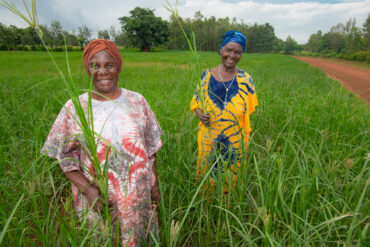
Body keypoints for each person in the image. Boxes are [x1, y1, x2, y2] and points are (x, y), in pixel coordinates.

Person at [42, 39, 162, 246]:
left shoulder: (137, 101)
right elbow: (64, 158)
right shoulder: (75, 108)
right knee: (102, 239)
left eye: (109, 65)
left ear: (118, 67)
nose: (102, 72)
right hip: (97, 200)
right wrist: (88, 190)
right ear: (88, 70)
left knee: (139, 239)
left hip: (137, 199)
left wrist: (154, 185)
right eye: (94, 66)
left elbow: (151, 150)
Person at [190, 31, 258, 188]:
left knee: (231, 177)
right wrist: (200, 114)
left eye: (237, 52)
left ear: (241, 54)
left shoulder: (246, 79)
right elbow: (196, 104)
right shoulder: (206, 76)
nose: (232, 55)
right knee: (207, 173)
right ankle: (206, 208)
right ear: (220, 50)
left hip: (235, 140)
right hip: (209, 138)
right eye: (228, 50)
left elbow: (250, 109)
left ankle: (228, 208)